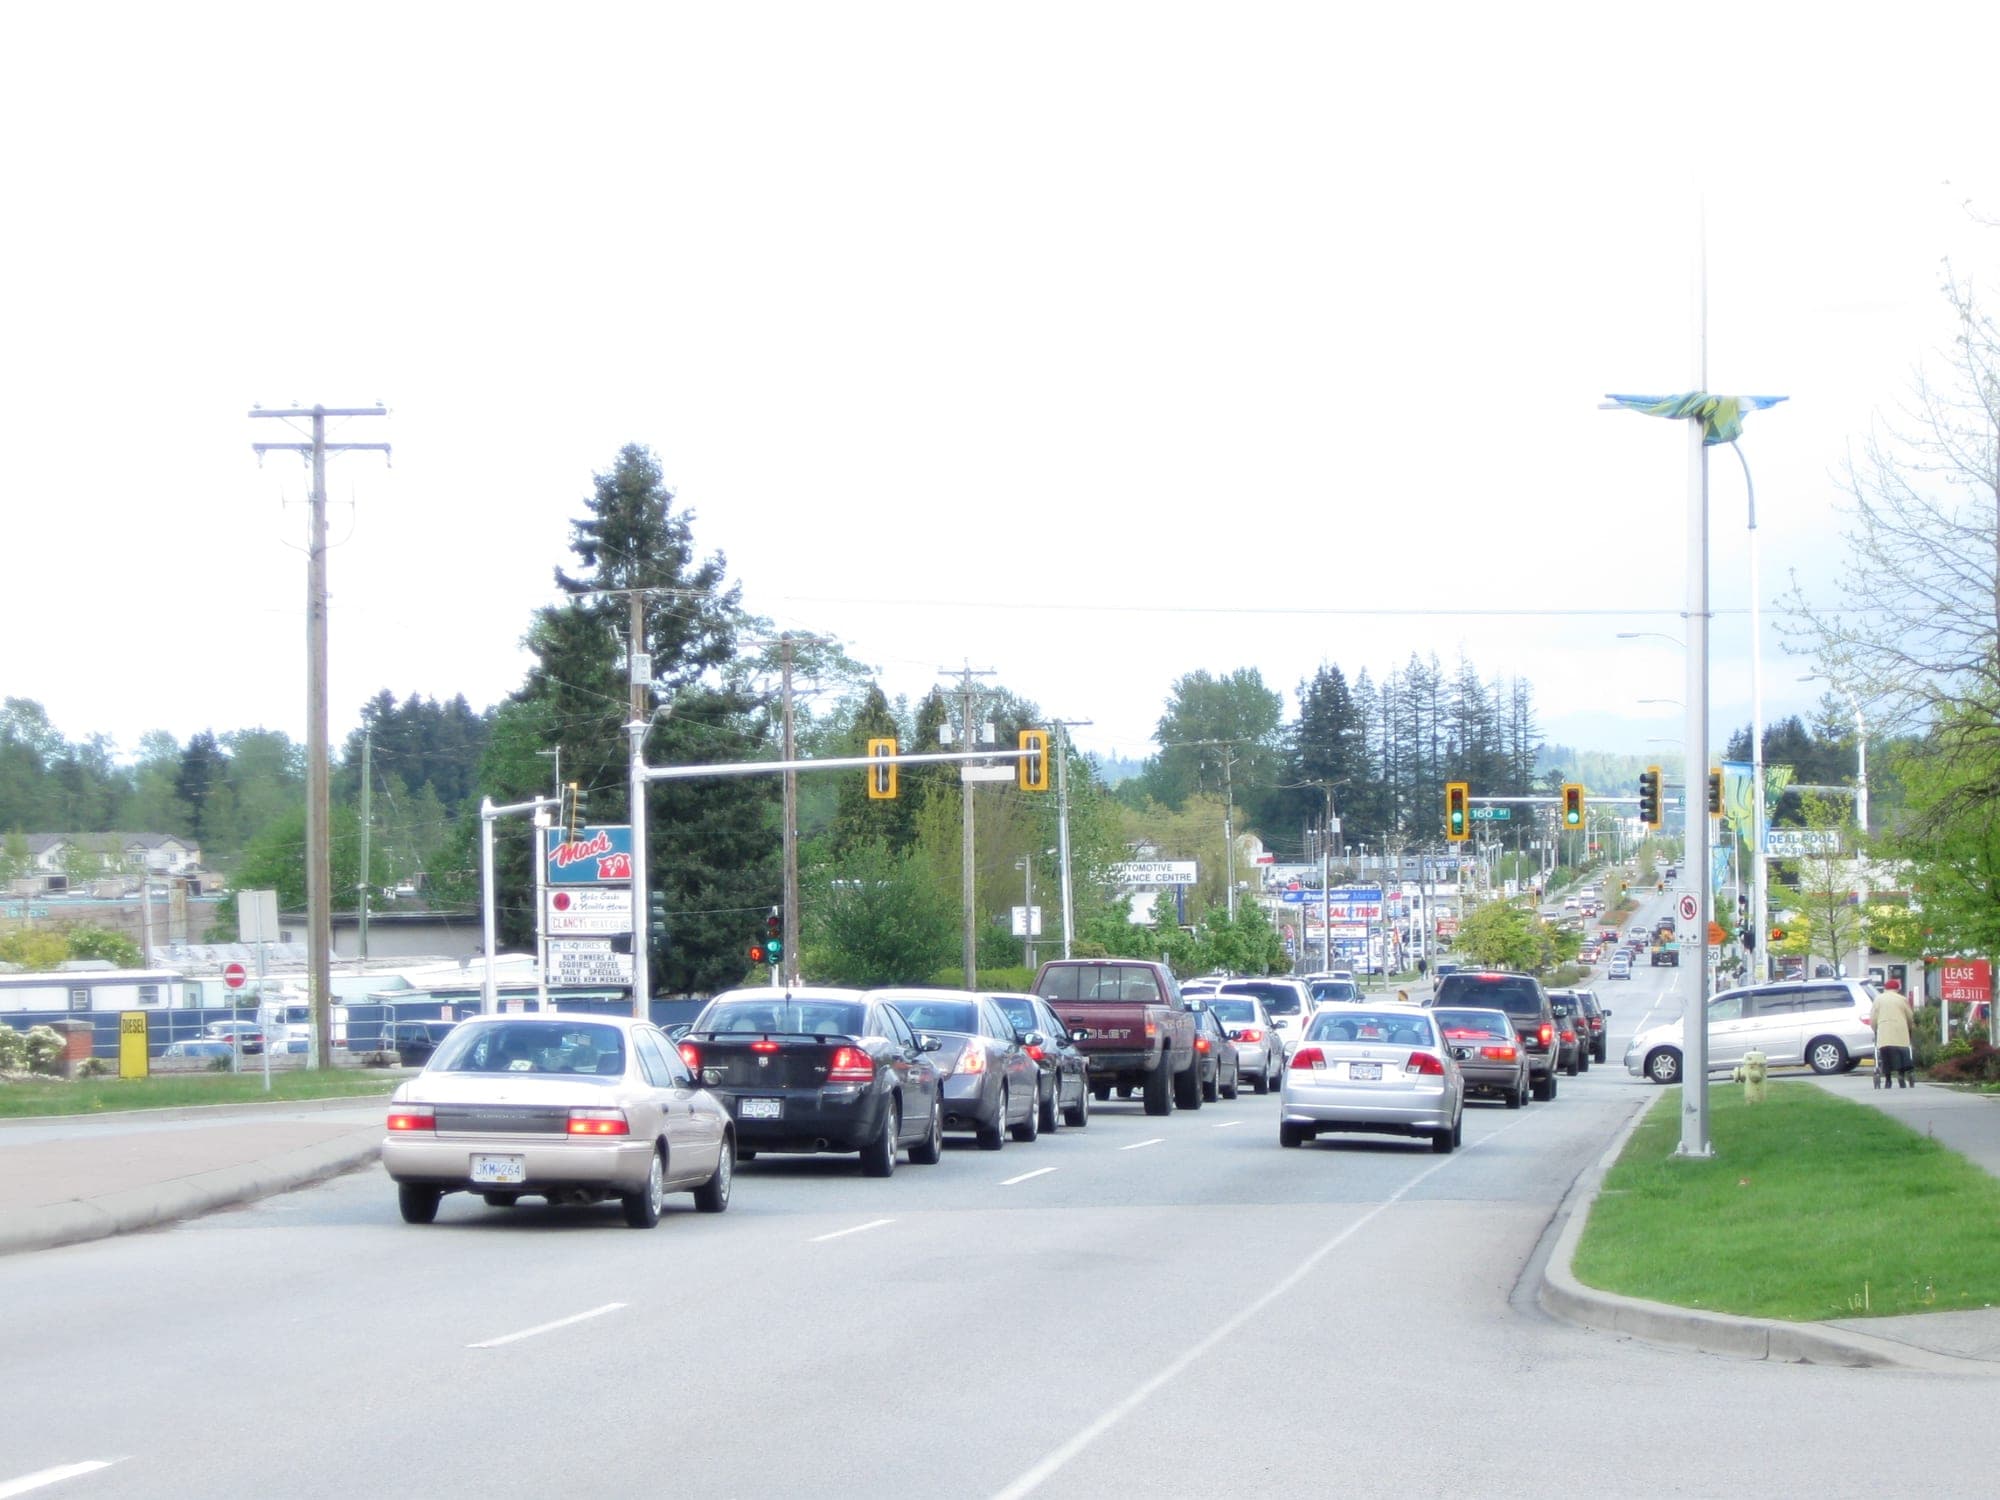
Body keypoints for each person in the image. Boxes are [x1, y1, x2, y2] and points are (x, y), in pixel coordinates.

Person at [1871, 978, 1917, 1089]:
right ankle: (1901, 1075)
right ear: (1897, 989)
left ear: (1885, 988)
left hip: (1884, 1030)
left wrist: (1875, 1029)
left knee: (1886, 1056)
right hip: (1900, 1030)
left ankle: (1888, 1079)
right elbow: (1910, 1016)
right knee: (1902, 1054)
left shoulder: (1878, 999)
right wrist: (1910, 1027)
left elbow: (1873, 1017)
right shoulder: (1902, 999)